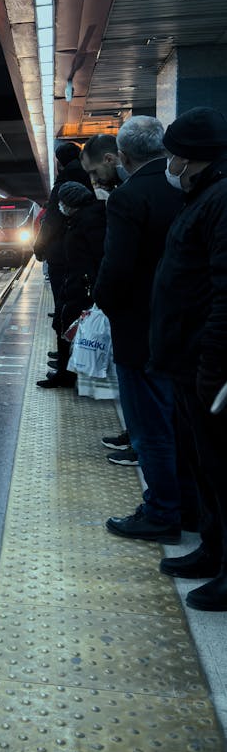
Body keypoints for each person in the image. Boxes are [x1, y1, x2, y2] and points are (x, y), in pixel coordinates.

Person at [89, 118, 189, 540]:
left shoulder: (128, 197)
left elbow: (117, 268)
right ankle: (191, 510)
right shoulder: (187, 189)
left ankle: (162, 512)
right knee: (181, 423)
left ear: (123, 155)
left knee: (149, 426)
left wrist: (103, 304)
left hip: (139, 329)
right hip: (183, 326)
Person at [148, 107, 227, 611]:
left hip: (205, 367)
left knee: (222, 471)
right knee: (205, 469)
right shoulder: (204, 196)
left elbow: (224, 293)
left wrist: (213, 370)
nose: (169, 164)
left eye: (173, 155)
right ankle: (213, 552)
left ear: (192, 158)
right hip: (186, 361)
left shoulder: (220, 201)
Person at [37, 181, 106, 389]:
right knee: (65, 325)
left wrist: (89, 285)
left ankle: (67, 375)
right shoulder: (82, 219)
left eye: (62, 202)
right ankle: (67, 371)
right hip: (77, 283)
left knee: (69, 326)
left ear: (71, 202)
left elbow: (94, 256)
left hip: (82, 286)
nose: (60, 206)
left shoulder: (88, 222)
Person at [33, 143, 92, 318]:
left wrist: (39, 246)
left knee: (63, 298)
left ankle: (64, 337)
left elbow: (51, 220)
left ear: (60, 163)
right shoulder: (91, 178)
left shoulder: (62, 184)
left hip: (61, 252)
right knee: (81, 298)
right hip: (86, 251)